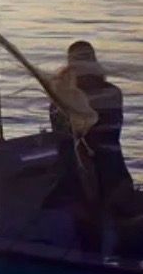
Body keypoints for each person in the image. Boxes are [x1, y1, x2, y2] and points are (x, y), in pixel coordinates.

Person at [46, 40, 134, 252]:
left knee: (89, 245)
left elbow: (63, 140)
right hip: (117, 174)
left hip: (83, 181)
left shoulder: (63, 101)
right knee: (125, 244)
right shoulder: (114, 92)